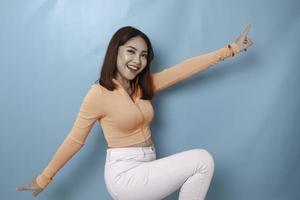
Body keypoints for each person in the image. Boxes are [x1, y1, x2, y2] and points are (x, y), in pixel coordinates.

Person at [17, 25, 253, 199]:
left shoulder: (142, 86)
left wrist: (231, 49)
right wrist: (43, 178)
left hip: (148, 163)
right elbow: (75, 140)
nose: (137, 60)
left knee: (200, 163)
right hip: (125, 174)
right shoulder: (98, 93)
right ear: (116, 52)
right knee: (202, 160)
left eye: (143, 55)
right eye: (131, 51)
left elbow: (183, 69)